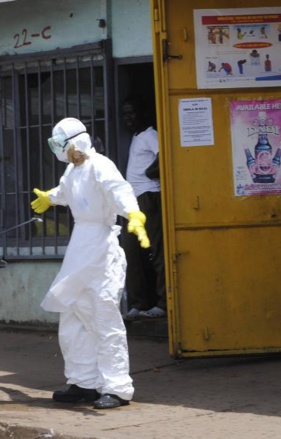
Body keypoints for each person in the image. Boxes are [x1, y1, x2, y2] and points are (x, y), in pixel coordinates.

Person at [31, 117, 149, 410]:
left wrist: (133, 214)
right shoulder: (73, 170)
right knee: (72, 313)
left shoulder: (101, 165)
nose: (57, 150)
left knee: (103, 313)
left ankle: (117, 387)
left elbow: (119, 190)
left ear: (74, 143)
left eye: (59, 144)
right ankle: (83, 381)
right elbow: (66, 193)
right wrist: (50, 198)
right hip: (80, 247)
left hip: (101, 248)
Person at [121, 97, 166, 320]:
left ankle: (163, 303)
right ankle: (140, 303)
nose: (128, 118)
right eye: (125, 114)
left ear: (142, 113)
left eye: (131, 113)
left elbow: (164, 154)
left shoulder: (149, 134)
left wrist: (151, 172)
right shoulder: (137, 137)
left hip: (149, 197)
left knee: (157, 250)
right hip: (135, 202)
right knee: (132, 250)